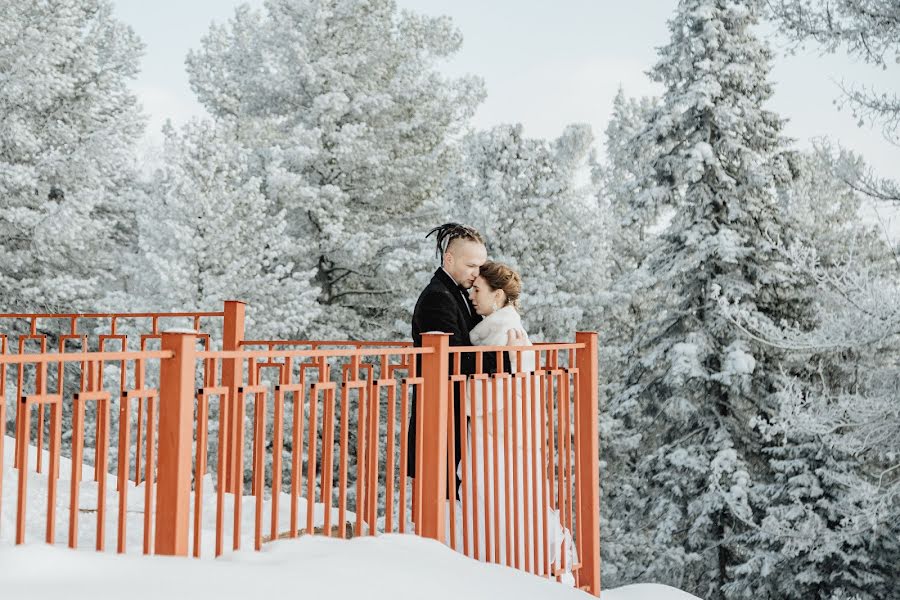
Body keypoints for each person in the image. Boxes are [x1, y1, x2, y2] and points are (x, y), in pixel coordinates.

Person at [453, 260, 575, 581]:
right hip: (504, 430)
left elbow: (499, 389)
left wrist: (457, 390)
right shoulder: (499, 327)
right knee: (501, 498)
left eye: (478, 290)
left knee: (495, 498)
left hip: (497, 432)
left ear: (498, 295)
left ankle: (505, 568)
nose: (472, 296)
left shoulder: (502, 332)